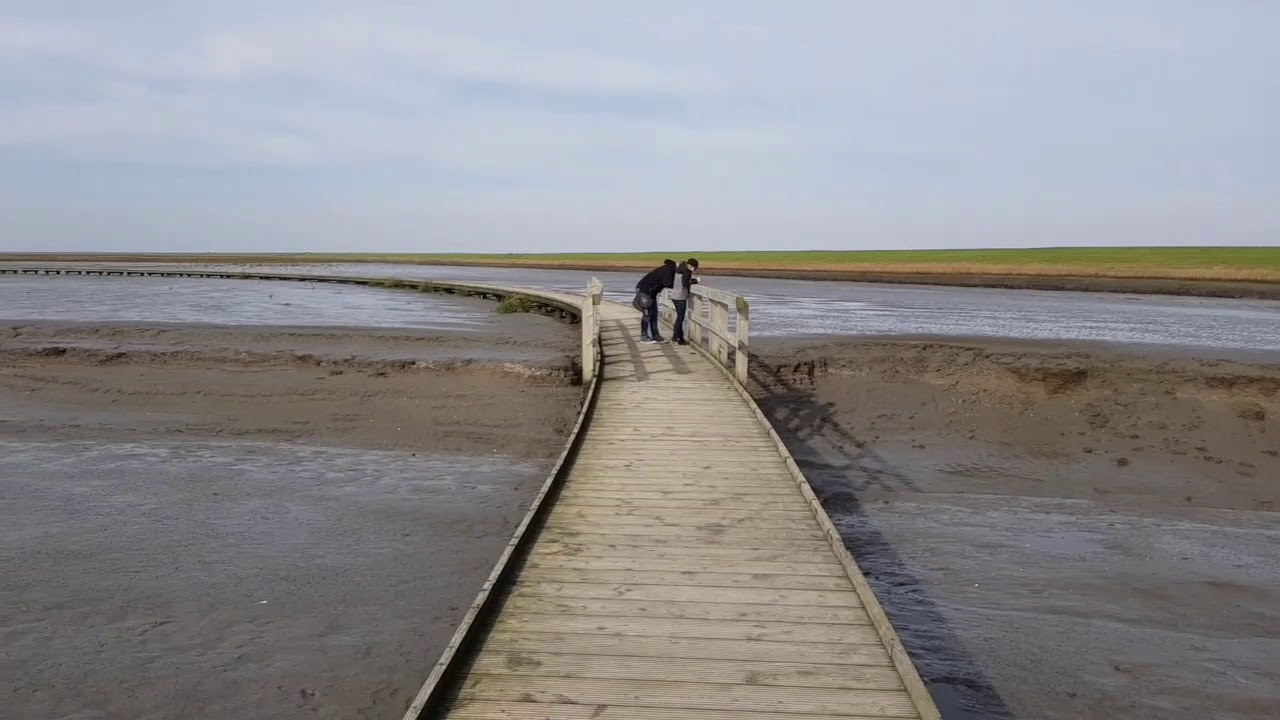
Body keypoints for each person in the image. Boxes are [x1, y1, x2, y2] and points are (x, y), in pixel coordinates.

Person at [634, 259, 676, 342]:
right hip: (645, 292)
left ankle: (655, 335)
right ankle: (644, 337)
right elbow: (668, 283)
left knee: (654, 314)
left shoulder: (665, 269)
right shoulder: (668, 270)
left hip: (649, 292)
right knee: (647, 314)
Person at [669, 258, 699, 345]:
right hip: (680, 297)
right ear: (691, 266)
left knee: (679, 317)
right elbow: (685, 283)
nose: (695, 270)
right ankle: (676, 338)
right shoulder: (686, 271)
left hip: (675, 296)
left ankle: (678, 337)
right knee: (680, 318)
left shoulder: (679, 270)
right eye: (695, 268)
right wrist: (696, 281)